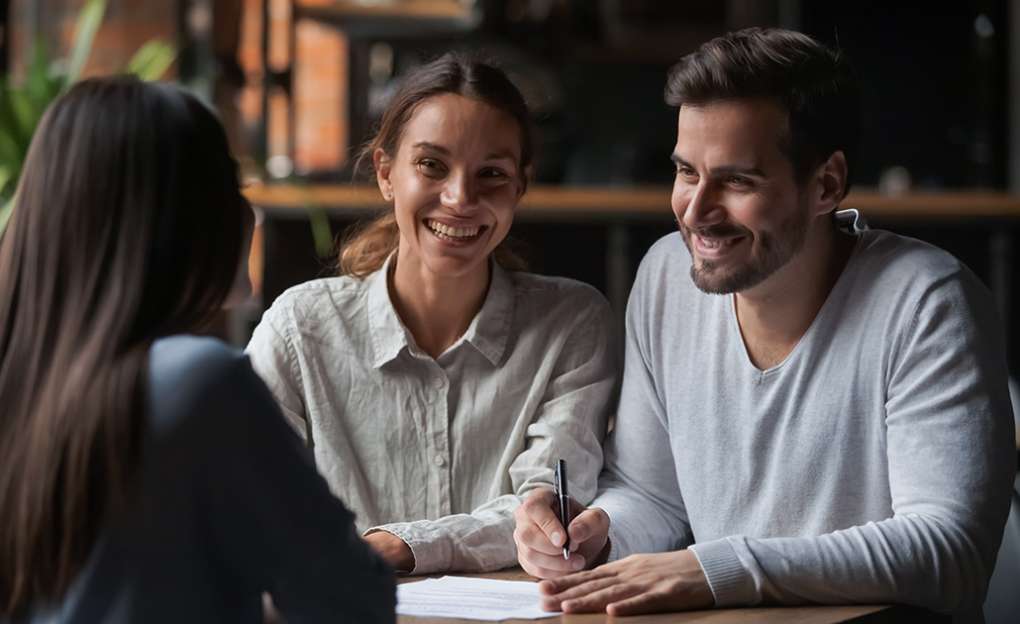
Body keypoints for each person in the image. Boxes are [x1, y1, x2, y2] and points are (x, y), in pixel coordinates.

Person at [513, 27, 1016, 620]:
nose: (696, 212)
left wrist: (718, 568)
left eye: (736, 181)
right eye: (686, 173)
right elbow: (654, 495)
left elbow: (946, 551)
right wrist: (601, 533)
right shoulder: (665, 277)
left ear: (826, 183)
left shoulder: (928, 302)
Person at [0, 77, 395, 623]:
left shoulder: (24, 380)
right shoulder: (200, 383)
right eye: (232, 189)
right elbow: (351, 599)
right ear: (180, 219)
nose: (247, 215)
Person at [246, 53, 618, 575]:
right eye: (431, 165)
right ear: (385, 173)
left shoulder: (572, 323)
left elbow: (545, 515)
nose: (460, 198)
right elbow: (251, 504)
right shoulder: (298, 329)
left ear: (520, 187)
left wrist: (401, 546)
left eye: (491, 173)